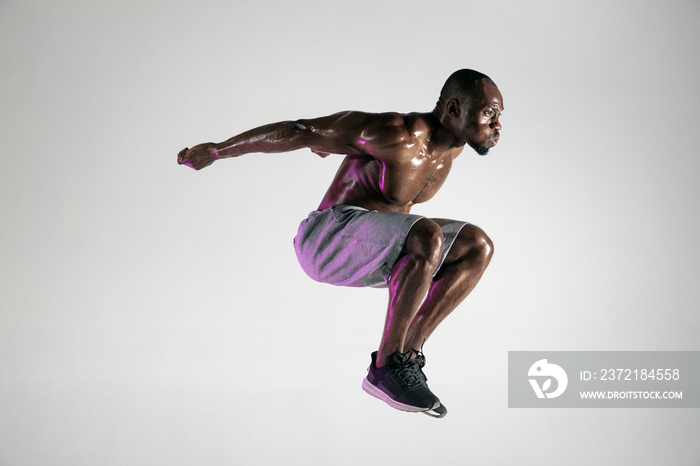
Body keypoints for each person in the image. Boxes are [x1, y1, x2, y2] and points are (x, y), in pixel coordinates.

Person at [177, 69, 503, 418]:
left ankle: (406, 357)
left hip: (372, 247)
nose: (497, 126)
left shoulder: (451, 150)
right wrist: (218, 150)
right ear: (454, 109)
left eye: (499, 117)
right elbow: (302, 131)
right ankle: (386, 366)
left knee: (476, 246)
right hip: (324, 238)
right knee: (426, 234)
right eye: (489, 114)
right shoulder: (395, 134)